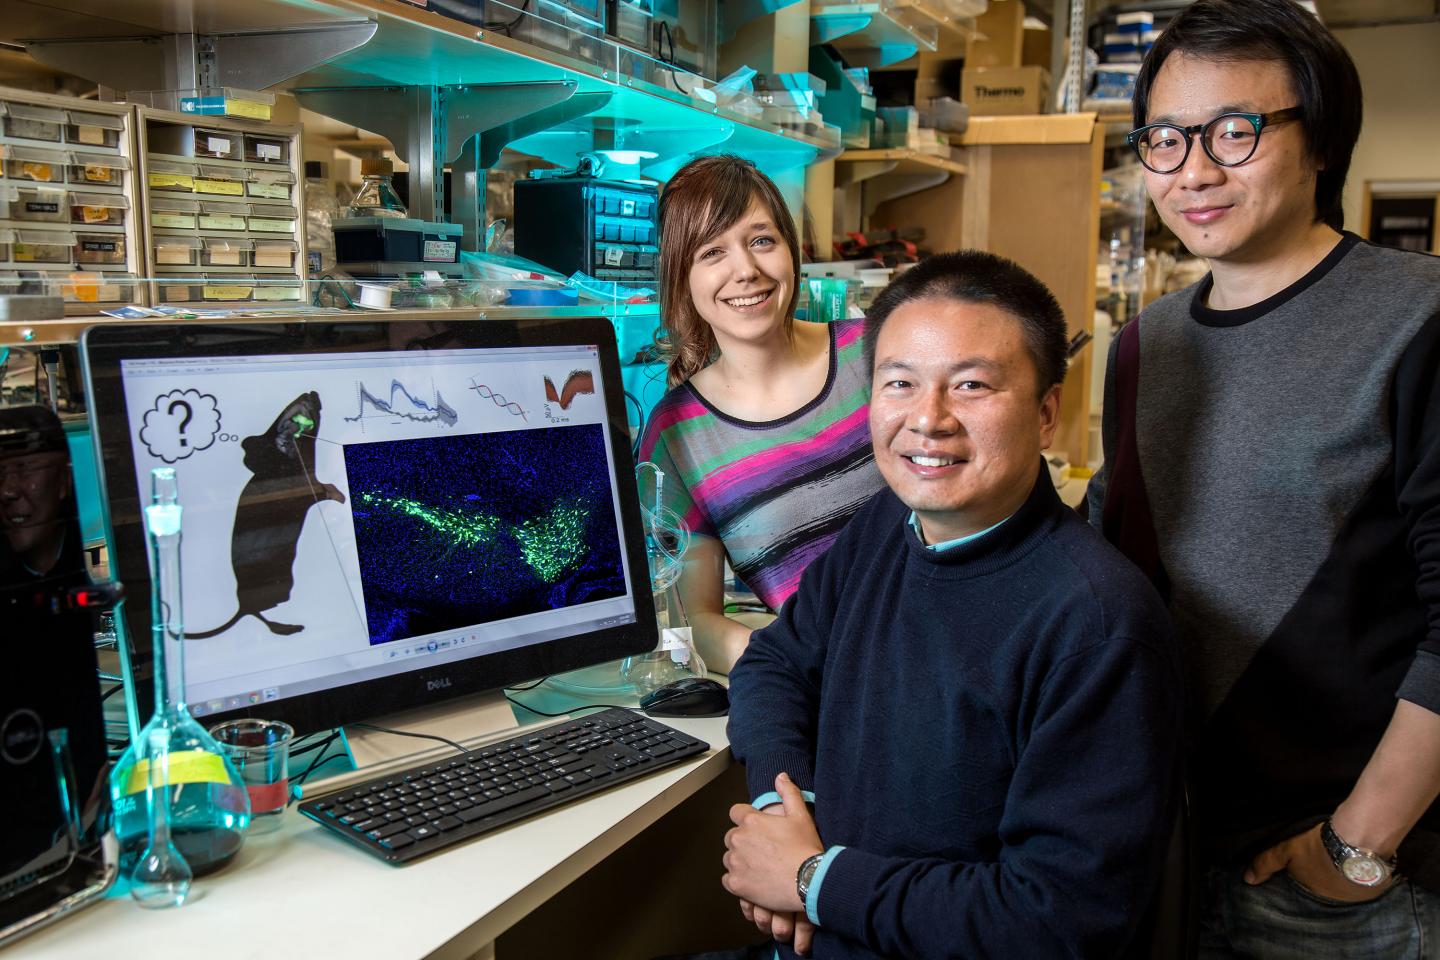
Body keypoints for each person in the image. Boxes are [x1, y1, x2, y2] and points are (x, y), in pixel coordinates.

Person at [1086, 0, 1440, 954]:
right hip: (1171, 846)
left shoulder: (1418, 319)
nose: (1193, 170)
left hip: (1353, 885)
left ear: (1320, 139)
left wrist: (1355, 848)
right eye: (1164, 139)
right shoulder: (1144, 346)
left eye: (1234, 133)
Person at [723, 251, 1183, 959]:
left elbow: (1060, 920)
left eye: (970, 386)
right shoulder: (886, 526)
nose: (928, 420)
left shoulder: (1096, 625)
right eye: (899, 383)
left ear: (1046, 413)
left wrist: (814, 880)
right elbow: (777, 662)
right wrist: (788, 809)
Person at [638, 155, 884, 673]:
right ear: (682, 276)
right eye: (712, 252)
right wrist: (801, 669)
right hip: (837, 692)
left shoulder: (875, 352)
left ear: (791, 251)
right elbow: (695, 621)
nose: (745, 271)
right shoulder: (676, 433)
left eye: (761, 240)